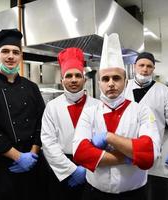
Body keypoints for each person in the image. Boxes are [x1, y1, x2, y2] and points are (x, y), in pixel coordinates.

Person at [72, 33, 160, 200]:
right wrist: (129, 155)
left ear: (126, 82)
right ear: (99, 84)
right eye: (105, 79)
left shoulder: (142, 111)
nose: (111, 83)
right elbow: (80, 153)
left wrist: (108, 137)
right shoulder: (89, 112)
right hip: (95, 194)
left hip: (134, 194)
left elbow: (149, 155)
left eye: (116, 78)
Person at [0, 28, 47, 200]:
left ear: (21, 57)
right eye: (5, 51)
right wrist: (19, 157)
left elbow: (42, 123)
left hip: (33, 165)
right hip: (3, 169)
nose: (10, 56)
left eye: (16, 52)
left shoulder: (32, 87)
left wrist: (33, 154)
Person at [41, 47, 99, 200]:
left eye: (78, 75)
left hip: (92, 168)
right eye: (69, 76)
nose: (73, 79)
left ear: (84, 80)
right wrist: (71, 170)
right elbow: (48, 143)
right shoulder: (52, 107)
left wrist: (87, 169)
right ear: (62, 81)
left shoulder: (97, 106)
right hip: (61, 169)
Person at [125, 52, 168, 164]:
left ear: (153, 69)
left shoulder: (164, 91)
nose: (145, 69)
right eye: (141, 65)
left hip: (152, 150)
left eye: (149, 66)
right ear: (134, 66)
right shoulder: (124, 87)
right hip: (125, 149)